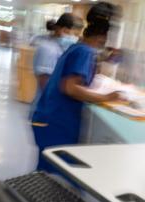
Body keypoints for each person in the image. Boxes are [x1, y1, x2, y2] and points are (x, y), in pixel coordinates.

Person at [31, 2, 125, 172]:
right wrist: (107, 97)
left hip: (48, 118)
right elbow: (70, 88)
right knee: (55, 176)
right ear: (104, 37)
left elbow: (81, 68)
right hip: (55, 122)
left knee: (48, 172)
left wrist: (104, 58)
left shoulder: (79, 48)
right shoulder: (84, 52)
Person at [30, 14, 83, 118]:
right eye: (75, 34)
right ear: (63, 30)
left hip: (53, 108)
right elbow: (45, 84)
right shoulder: (47, 49)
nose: (76, 38)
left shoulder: (61, 47)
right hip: (46, 109)